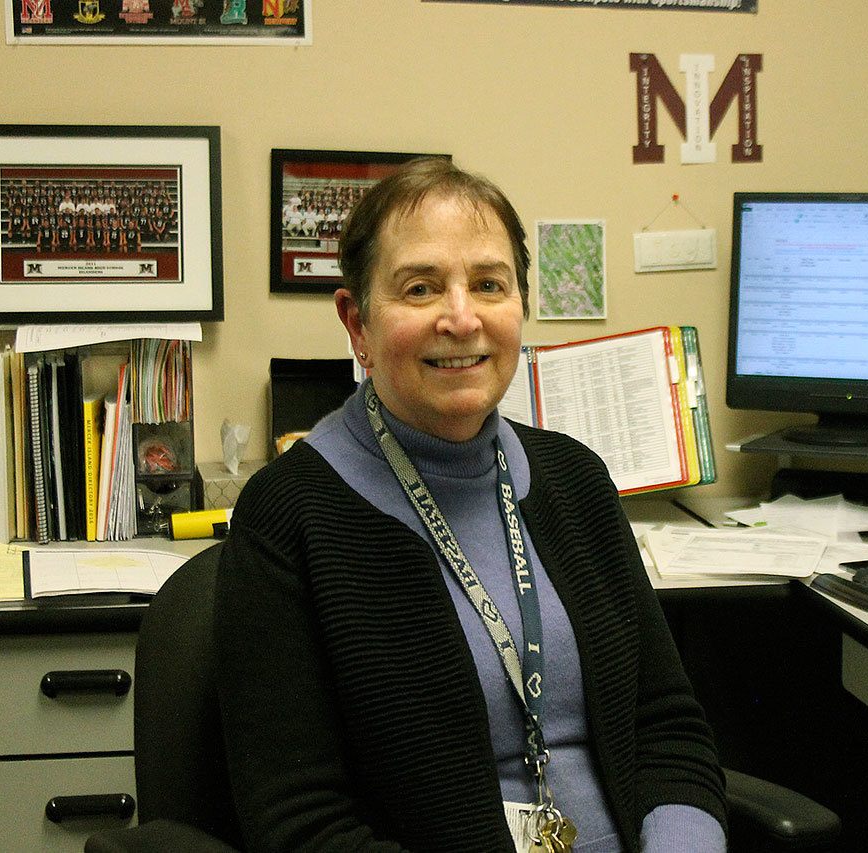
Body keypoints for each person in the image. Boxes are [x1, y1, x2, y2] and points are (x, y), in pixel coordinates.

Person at [215, 157, 727, 852]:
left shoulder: (575, 479)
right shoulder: (290, 515)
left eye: (489, 284)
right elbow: (302, 824)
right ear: (356, 322)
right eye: (420, 288)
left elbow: (667, 726)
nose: (462, 318)